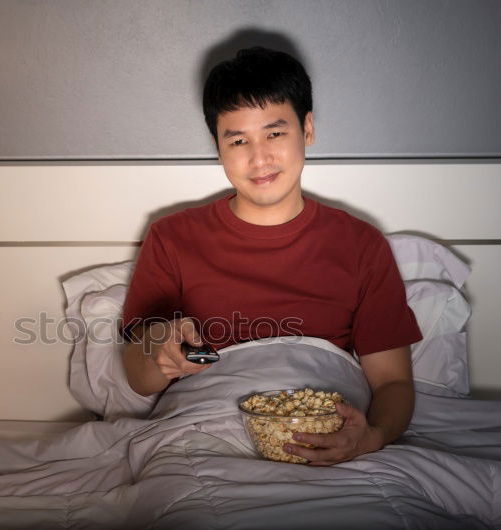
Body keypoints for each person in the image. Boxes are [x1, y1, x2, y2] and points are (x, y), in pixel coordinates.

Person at [119, 46, 422, 466]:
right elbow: (138, 376)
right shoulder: (171, 238)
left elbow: (392, 384)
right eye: (238, 140)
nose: (258, 157)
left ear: (308, 128)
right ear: (218, 146)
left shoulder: (361, 245)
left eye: (275, 133)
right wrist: (162, 352)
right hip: (204, 440)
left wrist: (371, 437)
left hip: (328, 439)